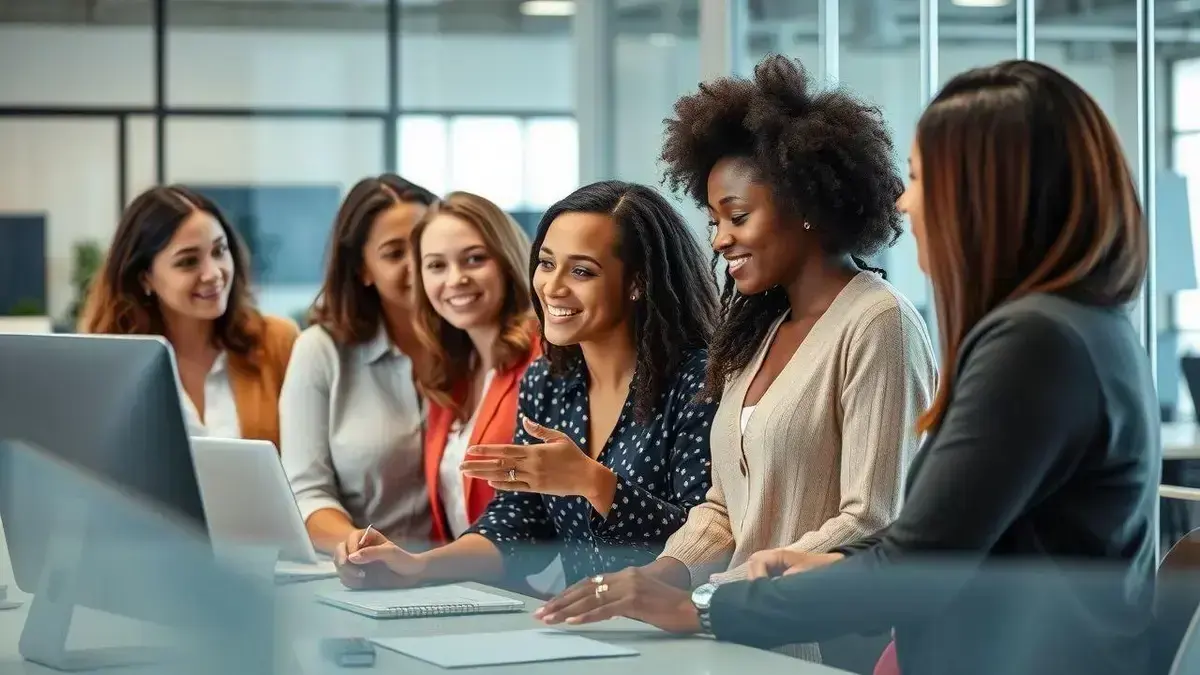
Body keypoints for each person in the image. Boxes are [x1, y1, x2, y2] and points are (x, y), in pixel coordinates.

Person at [534, 60, 1158, 675]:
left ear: (987, 191)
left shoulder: (1033, 342)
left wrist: (709, 604)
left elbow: (918, 561)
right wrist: (807, 569)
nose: (906, 200)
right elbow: (943, 543)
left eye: (920, 176)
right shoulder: (1071, 327)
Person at [539, 55, 937, 661]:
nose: (719, 238)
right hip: (739, 639)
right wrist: (664, 574)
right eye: (714, 219)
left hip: (821, 646)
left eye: (738, 216)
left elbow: (873, 519)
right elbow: (725, 508)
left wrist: (711, 600)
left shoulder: (878, 322)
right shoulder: (756, 331)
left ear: (806, 204)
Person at [334, 180, 720, 592]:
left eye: (582, 271)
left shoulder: (699, 382)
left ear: (637, 283)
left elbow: (708, 542)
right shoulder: (548, 382)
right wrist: (415, 565)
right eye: (547, 263)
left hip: (674, 635)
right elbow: (516, 523)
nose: (552, 287)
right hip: (585, 630)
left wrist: (595, 483)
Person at [279, 174, 439, 554]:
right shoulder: (319, 351)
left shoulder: (479, 347)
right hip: (365, 576)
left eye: (424, 245)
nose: (417, 265)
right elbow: (307, 493)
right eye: (393, 253)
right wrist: (358, 545)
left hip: (475, 576)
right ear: (362, 270)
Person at [80, 185, 298, 447]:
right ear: (145, 278)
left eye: (219, 251)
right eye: (188, 262)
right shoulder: (114, 363)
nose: (213, 274)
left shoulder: (277, 342)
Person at [409, 191, 541, 544]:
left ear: (507, 260)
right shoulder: (447, 373)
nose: (455, 279)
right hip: (469, 589)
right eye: (437, 265)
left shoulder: (547, 357)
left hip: (541, 590)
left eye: (474, 259)